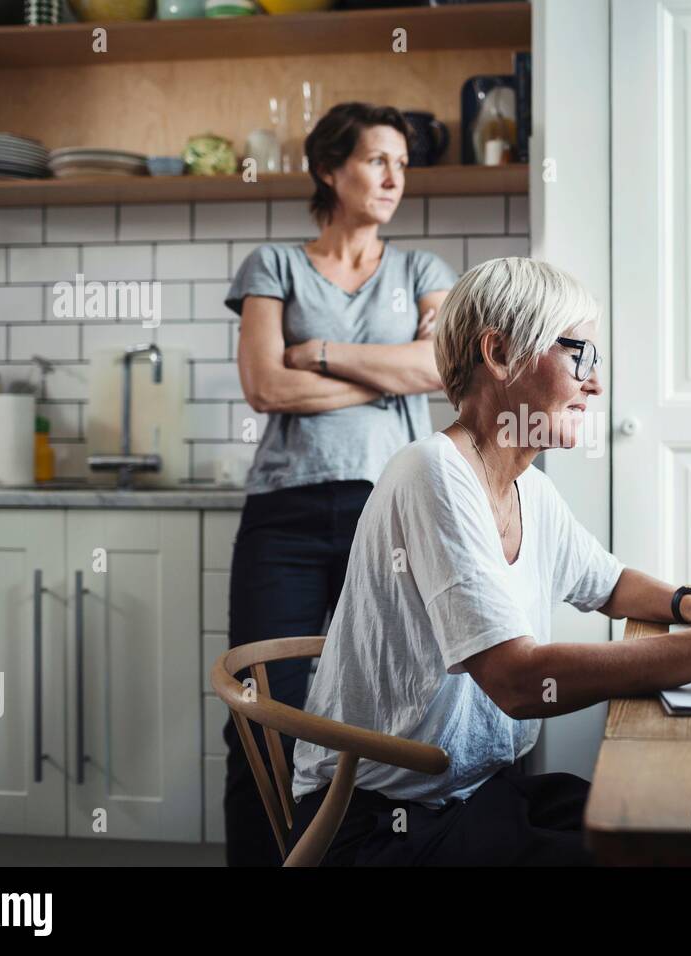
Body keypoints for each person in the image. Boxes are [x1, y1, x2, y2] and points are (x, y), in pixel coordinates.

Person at [286, 257, 691, 865]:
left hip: (474, 796)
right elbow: (518, 680)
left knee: (670, 828)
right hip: (377, 822)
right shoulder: (433, 472)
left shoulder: (528, 487)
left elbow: (607, 582)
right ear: (500, 353)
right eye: (579, 356)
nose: (596, 385)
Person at [222, 102, 457, 866]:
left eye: (402, 164)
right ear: (330, 169)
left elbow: (440, 369)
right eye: (376, 160)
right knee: (263, 706)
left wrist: (317, 351)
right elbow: (264, 386)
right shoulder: (274, 265)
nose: (394, 177)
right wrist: (388, 376)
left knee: (393, 705)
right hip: (284, 513)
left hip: (390, 510)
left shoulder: (423, 270)